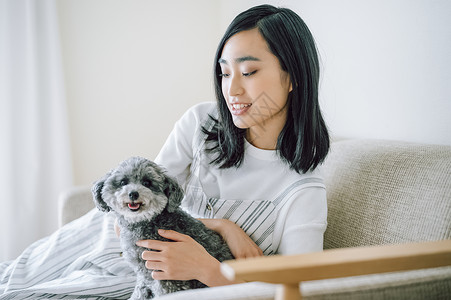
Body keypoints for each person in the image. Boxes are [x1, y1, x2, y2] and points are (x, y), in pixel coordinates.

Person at [0, 4, 329, 299]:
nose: (232, 90)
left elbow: (299, 291)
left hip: (157, 278)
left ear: (292, 77)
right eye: (225, 72)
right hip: (114, 235)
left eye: (248, 72)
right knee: (12, 277)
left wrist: (208, 270)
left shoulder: (302, 191)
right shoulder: (203, 123)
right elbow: (136, 206)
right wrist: (224, 228)